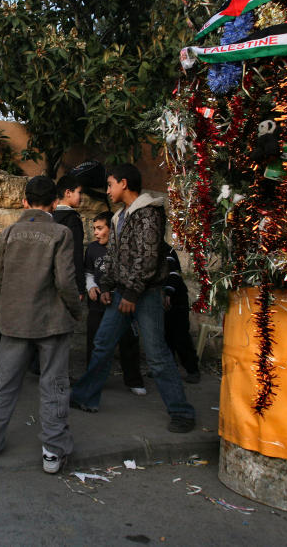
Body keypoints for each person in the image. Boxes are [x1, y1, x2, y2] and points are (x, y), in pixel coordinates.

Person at [70, 163, 196, 433]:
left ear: (124, 184)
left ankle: (181, 412)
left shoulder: (149, 214)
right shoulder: (121, 216)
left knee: (157, 354)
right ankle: (84, 397)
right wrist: (107, 286)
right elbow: (116, 258)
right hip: (123, 293)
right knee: (103, 344)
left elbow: (148, 258)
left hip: (145, 294)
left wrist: (131, 292)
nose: (108, 190)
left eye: (110, 184)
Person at [0, 176, 85, 474]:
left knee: (3, 383)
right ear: (53, 202)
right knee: (54, 385)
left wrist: (1, 313)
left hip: (15, 322)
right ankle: (53, 451)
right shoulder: (61, 232)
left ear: (24, 202)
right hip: (52, 323)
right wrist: (76, 310)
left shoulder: (9, 233)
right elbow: (65, 281)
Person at [85, 211, 146, 396]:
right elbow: (88, 272)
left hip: (121, 302)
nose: (96, 233)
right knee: (95, 343)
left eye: (100, 228)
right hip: (97, 304)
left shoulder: (125, 249)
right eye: (94, 228)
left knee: (128, 342)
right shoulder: (92, 249)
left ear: (112, 230)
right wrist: (91, 287)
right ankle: (92, 380)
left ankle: (133, 380)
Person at [163, 247, 201, 384]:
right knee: (166, 337)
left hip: (176, 300)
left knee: (180, 337)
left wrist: (168, 293)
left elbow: (174, 273)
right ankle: (168, 370)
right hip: (164, 300)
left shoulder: (166, 251)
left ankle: (192, 370)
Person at [52, 174, 86, 297]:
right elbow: (76, 252)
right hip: (68, 281)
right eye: (79, 192)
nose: (81, 197)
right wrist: (80, 286)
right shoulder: (72, 219)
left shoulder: (51, 216)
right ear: (68, 193)